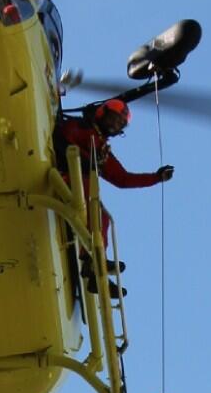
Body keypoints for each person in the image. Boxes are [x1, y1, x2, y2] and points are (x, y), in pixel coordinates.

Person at [55, 73, 178, 297]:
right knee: (92, 205)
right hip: (64, 179)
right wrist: (87, 159)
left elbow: (122, 179)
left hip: (78, 190)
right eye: (114, 118)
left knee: (102, 218)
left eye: (121, 123)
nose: (115, 124)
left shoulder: (101, 149)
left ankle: (96, 269)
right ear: (102, 113)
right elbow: (63, 140)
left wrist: (156, 177)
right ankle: (95, 263)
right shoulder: (81, 127)